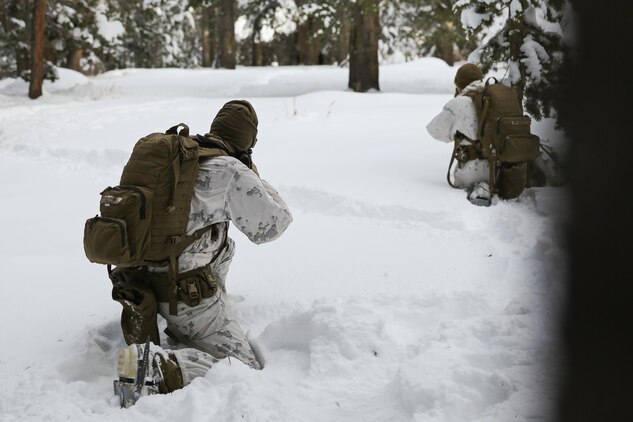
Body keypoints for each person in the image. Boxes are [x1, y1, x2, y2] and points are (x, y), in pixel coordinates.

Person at [112, 100, 293, 403]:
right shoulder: (230, 169)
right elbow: (273, 225)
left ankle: (196, 319)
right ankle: (155, 369)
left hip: (135, 281)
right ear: (249, 142)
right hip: (180, 294)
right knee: (244, 367)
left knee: (224, 245)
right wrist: (253, 174)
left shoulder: (178, 158)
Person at [426, 63, 492, 205]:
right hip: (501, 170)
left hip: (471, 174)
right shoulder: (495, 98)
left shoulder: (459, 103)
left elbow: (435, 130)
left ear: (459, 85)